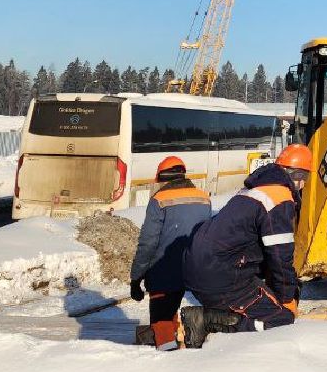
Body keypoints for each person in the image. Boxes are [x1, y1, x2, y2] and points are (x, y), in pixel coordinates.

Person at [182, 143, 313, 333]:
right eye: (306, 178)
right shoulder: (279, 198)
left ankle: (213, 317)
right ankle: (208, 322)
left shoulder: (253, 190)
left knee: (261, 299)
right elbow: (280, 257)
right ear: (299, 176)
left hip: (198, 270)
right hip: (221, 275)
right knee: (281, 318)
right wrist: (287, 299)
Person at [129, 156, 211, 351]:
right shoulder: (204, 197)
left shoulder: (159, 201)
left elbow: (148, 243)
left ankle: (167, 359)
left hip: (164, 271)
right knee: (196, 317)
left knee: (162, 322)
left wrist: (136, 278)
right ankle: (193, 350)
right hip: (196, 268)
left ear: (163, 179)